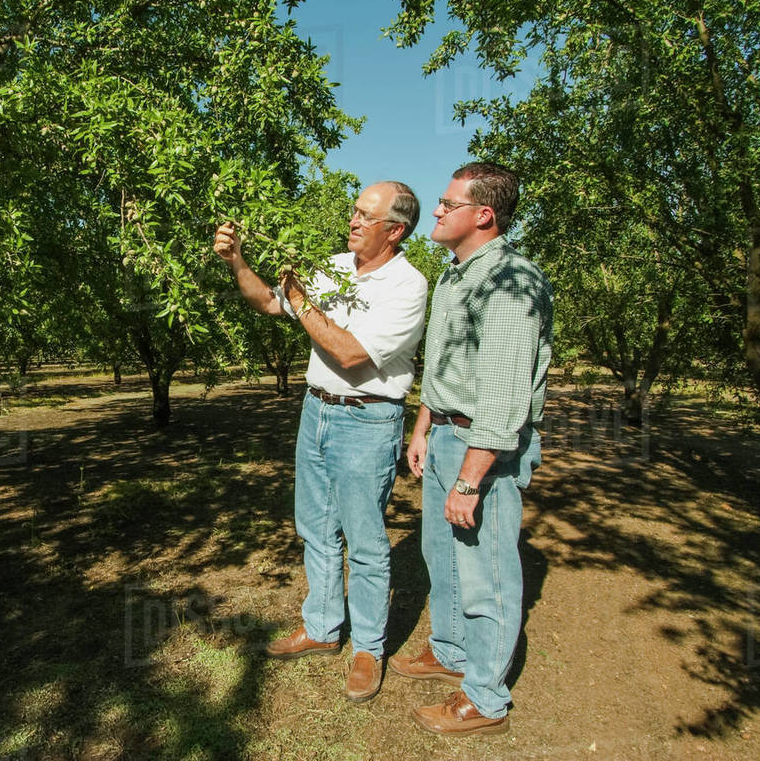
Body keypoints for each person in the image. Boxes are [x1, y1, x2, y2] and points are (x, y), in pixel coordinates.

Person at [213, 181, 427, 703]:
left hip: (366, 421)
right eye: (353, 211)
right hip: (318, 412)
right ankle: (324, 627)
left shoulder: (408, 285)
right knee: (315, 528)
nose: (352, 221)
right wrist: (238, 260)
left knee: (367, 543)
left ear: (395, 230)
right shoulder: (333, 267)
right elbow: (269, 302)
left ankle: (369, 650)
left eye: (365, 216)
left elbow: (351, 354)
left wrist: (301, 300)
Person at [387, 163, 553, 735]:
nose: (434, 211)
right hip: (446, 436)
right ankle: (451, 651)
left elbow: (505, 392)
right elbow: (446, 364)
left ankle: (485, 698)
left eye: (446, 203)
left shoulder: (512, 280)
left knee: (486, 576)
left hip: (484, 447)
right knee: (443, 557)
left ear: (483, 214)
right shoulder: (455, 276)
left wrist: (469, 478)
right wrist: (423, 427)